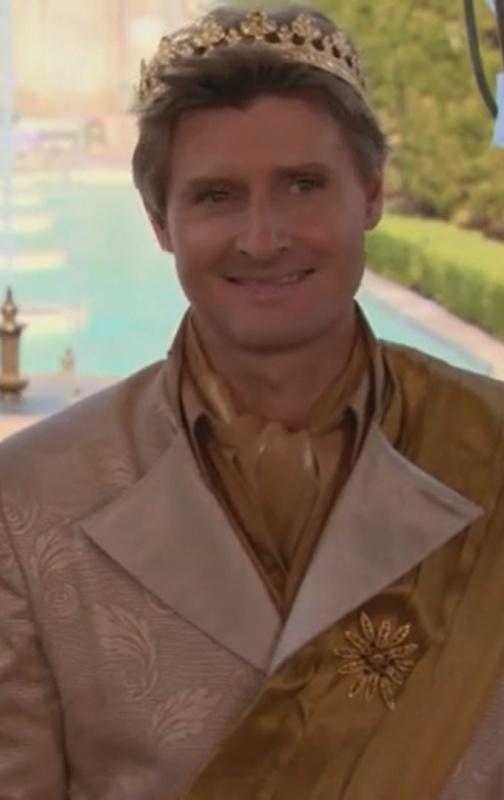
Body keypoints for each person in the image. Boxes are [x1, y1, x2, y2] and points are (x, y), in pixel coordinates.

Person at [0, 5, 503, 799]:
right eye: (216, 197)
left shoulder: (490, 446)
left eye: (303, 185)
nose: (263, 238)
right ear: (159, 221)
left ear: (372, 193)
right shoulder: (26, 500)